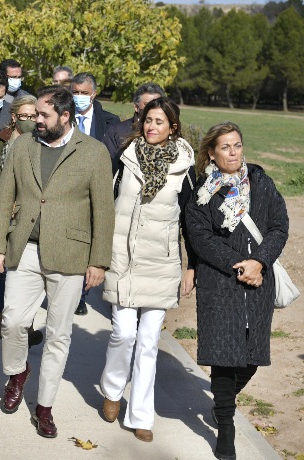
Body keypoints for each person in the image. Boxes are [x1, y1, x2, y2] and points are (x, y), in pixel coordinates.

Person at [0, 85, 115, 438]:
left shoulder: (93, 152)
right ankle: (17, 373)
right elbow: (4, 198)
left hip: (72, 254)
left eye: (44, 115)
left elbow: (104, 211)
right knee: (13, 321)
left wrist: (99, 261)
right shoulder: (22, 146)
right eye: (36, 115)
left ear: (65, 116)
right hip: (25, 247)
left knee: (59, 335)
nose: (37, 121)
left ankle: (44, 407)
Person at [185, 122, 289, 460]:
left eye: (238, 145)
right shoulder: (203, 191)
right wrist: (238, 264)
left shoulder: (261, 182)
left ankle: (221, 405)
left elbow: (279, 225)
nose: (233, 152)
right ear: (212, 153)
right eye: (225, 147)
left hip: (259, 281)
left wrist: (258, 262)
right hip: (220, 282)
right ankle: (226, 425)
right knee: (223, 356)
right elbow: (200, 236)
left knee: (252, 357)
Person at [100, 97, 196, 443]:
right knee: (124, 334)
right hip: (123, 259)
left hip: (162, 264)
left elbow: (192, 220)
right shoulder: (124, 158)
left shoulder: (185, 166)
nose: (152, 127)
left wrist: (192, 266)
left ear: (173, 127)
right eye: (148, 120)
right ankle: (112, 389)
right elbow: (104, 205)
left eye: (160, 122)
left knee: (149, 341)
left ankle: (140, 414)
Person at [0, 94, 37, 338]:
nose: (30, 121)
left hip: (30, 214)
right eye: (25, 116)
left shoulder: (42, 143)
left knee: (30, 270)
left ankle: (28, 321)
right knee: (2, 268)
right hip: (3, 213)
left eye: (34, 116)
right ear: (14, 117)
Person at [70, 72, 120, 316]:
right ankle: (75, 293)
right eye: (75, 92)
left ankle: (82, 290)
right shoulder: (62, 117)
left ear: (94, 93)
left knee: (90, 241)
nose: (78, 97)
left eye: (83, 93)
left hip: (97, 190)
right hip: (68, 191)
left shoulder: (110, 122)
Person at [104, 83, 166, 174]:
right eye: (148, 104)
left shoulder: (168, 132)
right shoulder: (117, 132)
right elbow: (106, 168)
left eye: (158, 104)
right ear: (136, 107)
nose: (153, 108)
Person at [0, 59, 30, 126]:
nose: (17, 80)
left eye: (19, 77)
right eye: (13, 77)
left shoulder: (26, 97)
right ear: (2, 76)